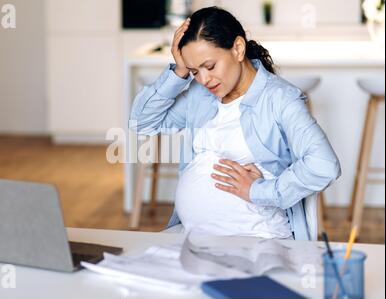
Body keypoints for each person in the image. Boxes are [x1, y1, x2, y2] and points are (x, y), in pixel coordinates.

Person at [129, 7, 341, 240]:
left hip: (260, 240)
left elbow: (324, 165)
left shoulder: (279, 99)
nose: (204, 79)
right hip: (194, 237)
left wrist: (260, 191)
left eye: (209, 66)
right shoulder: (200, 96)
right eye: (194, 71)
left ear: (238, 49)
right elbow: (141, 124)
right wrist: (178, 72)